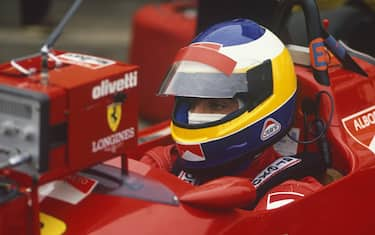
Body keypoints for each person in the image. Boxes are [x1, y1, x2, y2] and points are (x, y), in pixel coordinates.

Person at [140, 19, 324, 210]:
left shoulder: (293, 196)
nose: (195, 115)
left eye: (216, 105)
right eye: (191, 103)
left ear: (265, 104)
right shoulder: (164, 163)